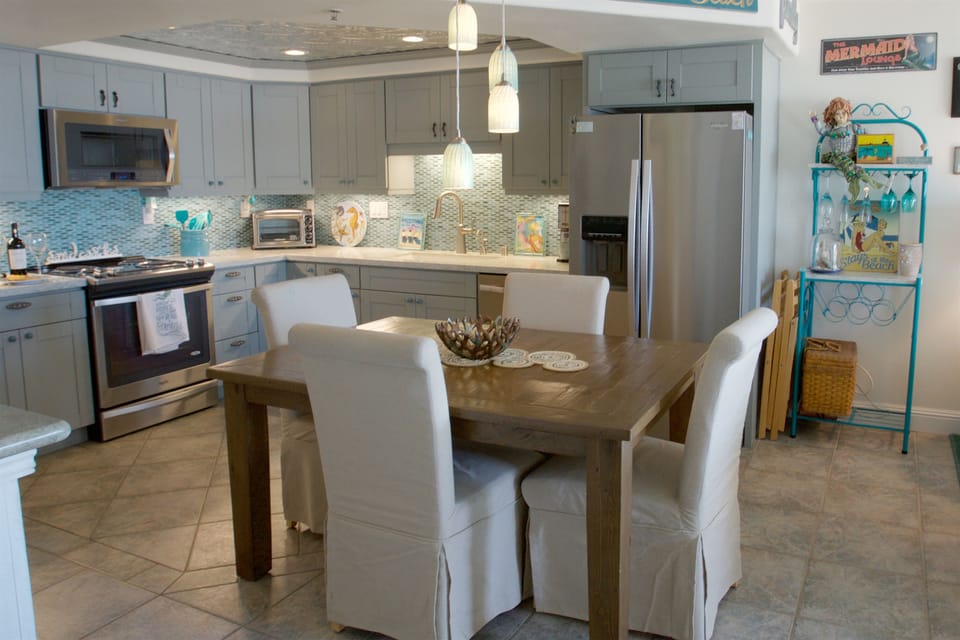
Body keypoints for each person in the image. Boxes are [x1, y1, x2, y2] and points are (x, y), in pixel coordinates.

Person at [810, 97, 884, 198]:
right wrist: (814, 119)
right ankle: (857, 179)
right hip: (837, 155)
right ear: (833, 116)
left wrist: (864, 135)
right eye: (837, 114)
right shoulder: (831, 128)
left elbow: (866, 135)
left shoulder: (852, 127)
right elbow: (821, 131)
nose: (841, 116)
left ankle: (863, 178)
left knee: (849, 162)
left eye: (843, 113)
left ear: (848, 114)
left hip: (851, 155)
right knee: (841, 160)